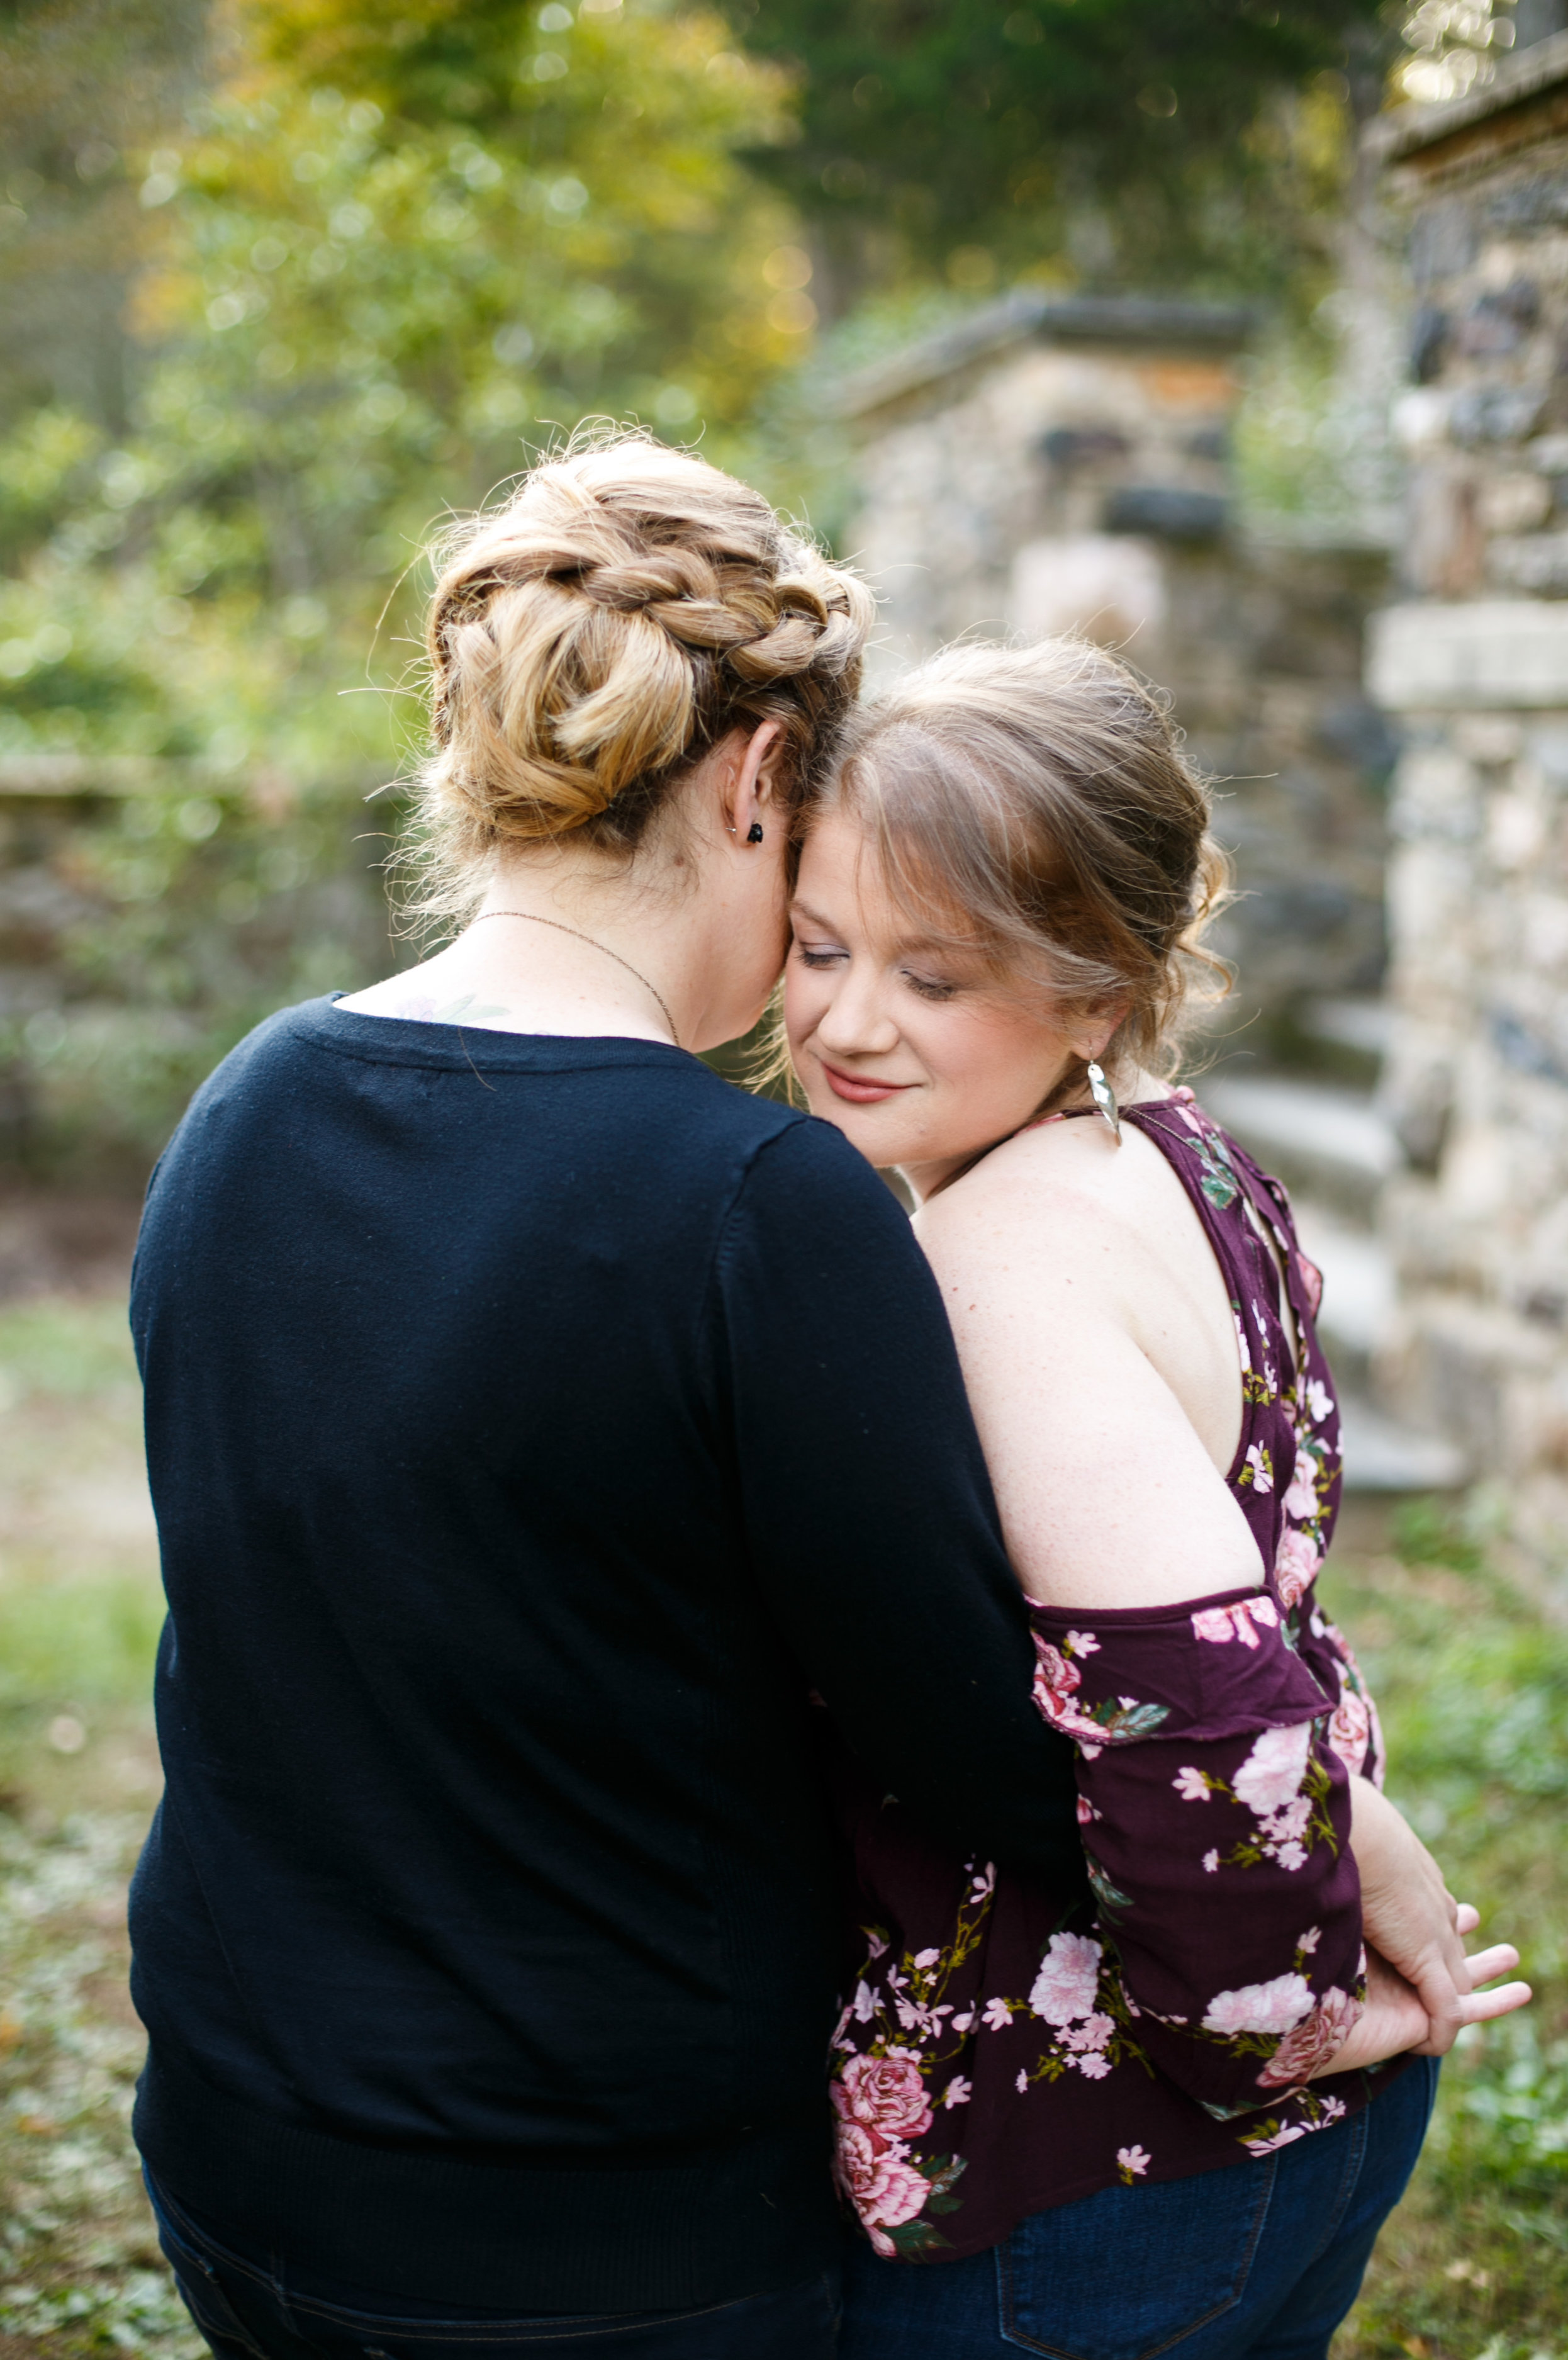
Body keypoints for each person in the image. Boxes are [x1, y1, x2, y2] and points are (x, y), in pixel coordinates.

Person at [126, 437, 1099, 2360]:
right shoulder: (751, 1200)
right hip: (595, 2242)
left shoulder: (244, 1106)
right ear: (756, 782)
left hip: (235, 2159)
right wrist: (1307, 1849)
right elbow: (975, 1742)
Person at [780, 638, 1530, 2360]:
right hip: (1226, 2136)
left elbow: (1198, 1707)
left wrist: (1266, 2029)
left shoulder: (997, 1259)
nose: (842, 1018)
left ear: (1099, 988)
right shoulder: (1184, 1159)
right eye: (820, 948)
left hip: (1113, 2159)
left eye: (936, 975)